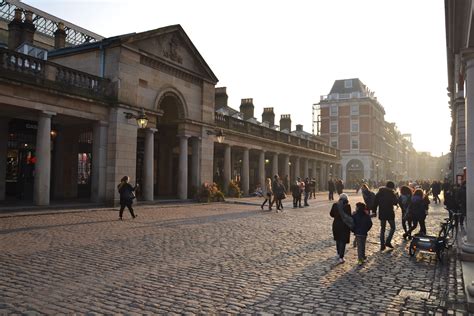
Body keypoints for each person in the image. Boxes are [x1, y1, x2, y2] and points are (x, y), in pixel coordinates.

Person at [373, 181, 399, 251]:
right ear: (391, 187)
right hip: (390, 213)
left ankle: (382, 245)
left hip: (382, 212)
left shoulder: (380, 192)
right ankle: (388, 241)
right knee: (393, 227)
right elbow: (395, 202)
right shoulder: (391, 193)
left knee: (382, 229)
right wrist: (397, 196)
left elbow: (375, 202)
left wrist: (374, 211)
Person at [330, 193, 352, 264]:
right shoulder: (347, 206)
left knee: (338, 239)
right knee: (343, 240)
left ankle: (338, 253)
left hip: (336, 224)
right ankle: (341, 257)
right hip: (344, 225)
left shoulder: (335, 205)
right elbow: (349, 216)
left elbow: (331, 214)